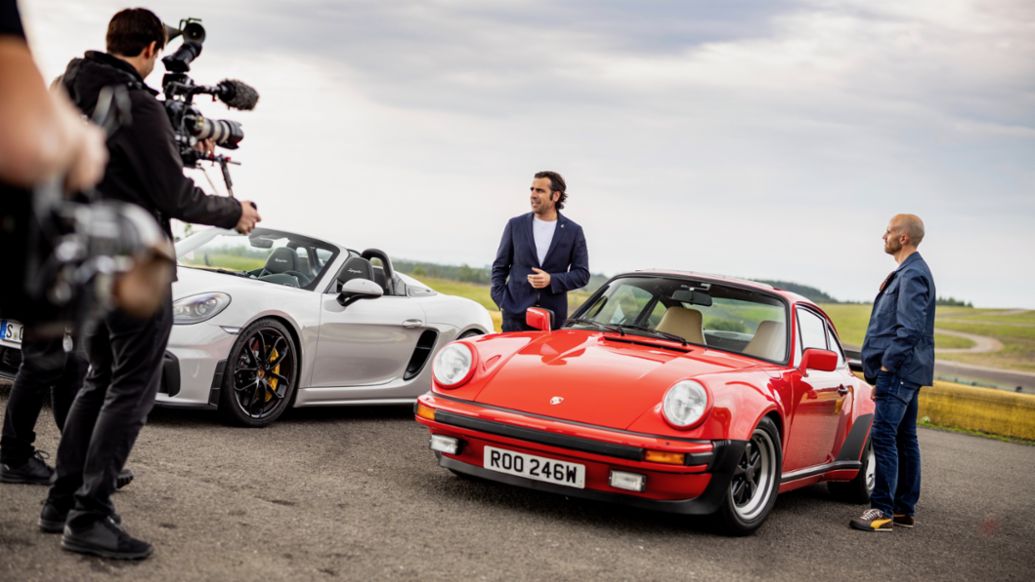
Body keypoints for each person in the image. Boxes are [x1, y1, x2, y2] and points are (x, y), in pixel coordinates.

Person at [40, 8, 261, 560]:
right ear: (149, 51)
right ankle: (89, 514)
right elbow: (172, 196)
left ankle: (60, 502)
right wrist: (234, 210)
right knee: (131, 388)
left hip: (85, 257)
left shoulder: (68, 89)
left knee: (100, 379)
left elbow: (120, 163)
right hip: (135, 259)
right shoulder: (136, 102)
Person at [850, 214, 935, 532]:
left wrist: (886, 368)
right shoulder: (910, 272)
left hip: (899, 370)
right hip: (906, 371)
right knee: (904, 437)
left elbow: (909, 328)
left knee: (884, 436)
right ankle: (903, 510)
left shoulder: (912, 275)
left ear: (903, 238)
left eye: (888, 231)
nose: (882, 235)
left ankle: (882, 509)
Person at [491, 171, 589, 331]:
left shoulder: (574, 231)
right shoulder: (515, 225)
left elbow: (582, 274)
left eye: (540, 190)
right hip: (514, 316)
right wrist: (503, 301)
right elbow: (499, 267)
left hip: (552, 319)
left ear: (555, 196)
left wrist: (552, 280)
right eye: (532, 189)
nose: (533, 195)